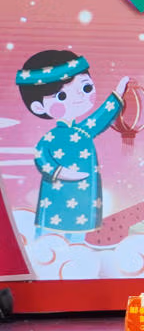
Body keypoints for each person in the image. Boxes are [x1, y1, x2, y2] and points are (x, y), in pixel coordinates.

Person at [17, 49, 129, 242]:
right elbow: (41, 157)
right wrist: (61, 172)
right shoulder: (51, 138)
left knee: (79, 239)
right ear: (38, 107)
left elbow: (100, 117)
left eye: (86, 88)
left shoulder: (83, 130)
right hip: (56, 200)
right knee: (50, 238)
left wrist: (118, 93)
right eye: (61, 96)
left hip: (84, 200)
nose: (80, 97)